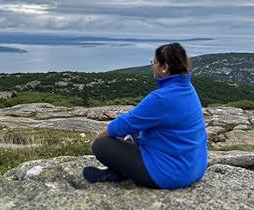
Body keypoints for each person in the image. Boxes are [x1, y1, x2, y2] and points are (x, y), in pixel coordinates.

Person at [82, 42, 207, 189]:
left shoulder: (162, 98)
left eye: (154, 62)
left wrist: (98, 137)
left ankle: (120, 173)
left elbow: (125, 124)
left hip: (169, 175)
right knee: (134, 129)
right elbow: (134, 120)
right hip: (193, 168)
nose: (152, 65)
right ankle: (123, 171)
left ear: (165, 68)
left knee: (101, 145)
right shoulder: (187, 88)